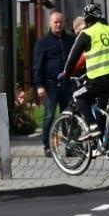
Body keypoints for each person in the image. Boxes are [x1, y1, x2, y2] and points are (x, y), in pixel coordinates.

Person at [61, 3, 109, 125]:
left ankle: (93, 127)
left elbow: (73, 58)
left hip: (101, 80)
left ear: (86, 20)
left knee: (79, 96)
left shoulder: (88, 33)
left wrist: (65, 75)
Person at [32, 11, 77, 156]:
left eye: (61, 22)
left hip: (68, 84)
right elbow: (37, 65)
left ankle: (70, 146)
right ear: (50, 23)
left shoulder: (71, 40)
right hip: (50, 84)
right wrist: (39, 85)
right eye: (55, 22)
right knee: (49, 116)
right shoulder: (43, 42)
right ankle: (47, 146)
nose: (58, 24)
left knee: (69, 116)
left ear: (65, 23)